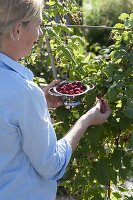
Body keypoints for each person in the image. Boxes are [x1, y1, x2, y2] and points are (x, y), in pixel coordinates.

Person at [0, 0, 111, 199]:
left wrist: (37, 101)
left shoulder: (20, 92)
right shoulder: (23, 92)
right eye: (39, 25)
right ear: (17, 30)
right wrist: (86, 120)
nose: (41, 34)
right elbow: (51, 165)